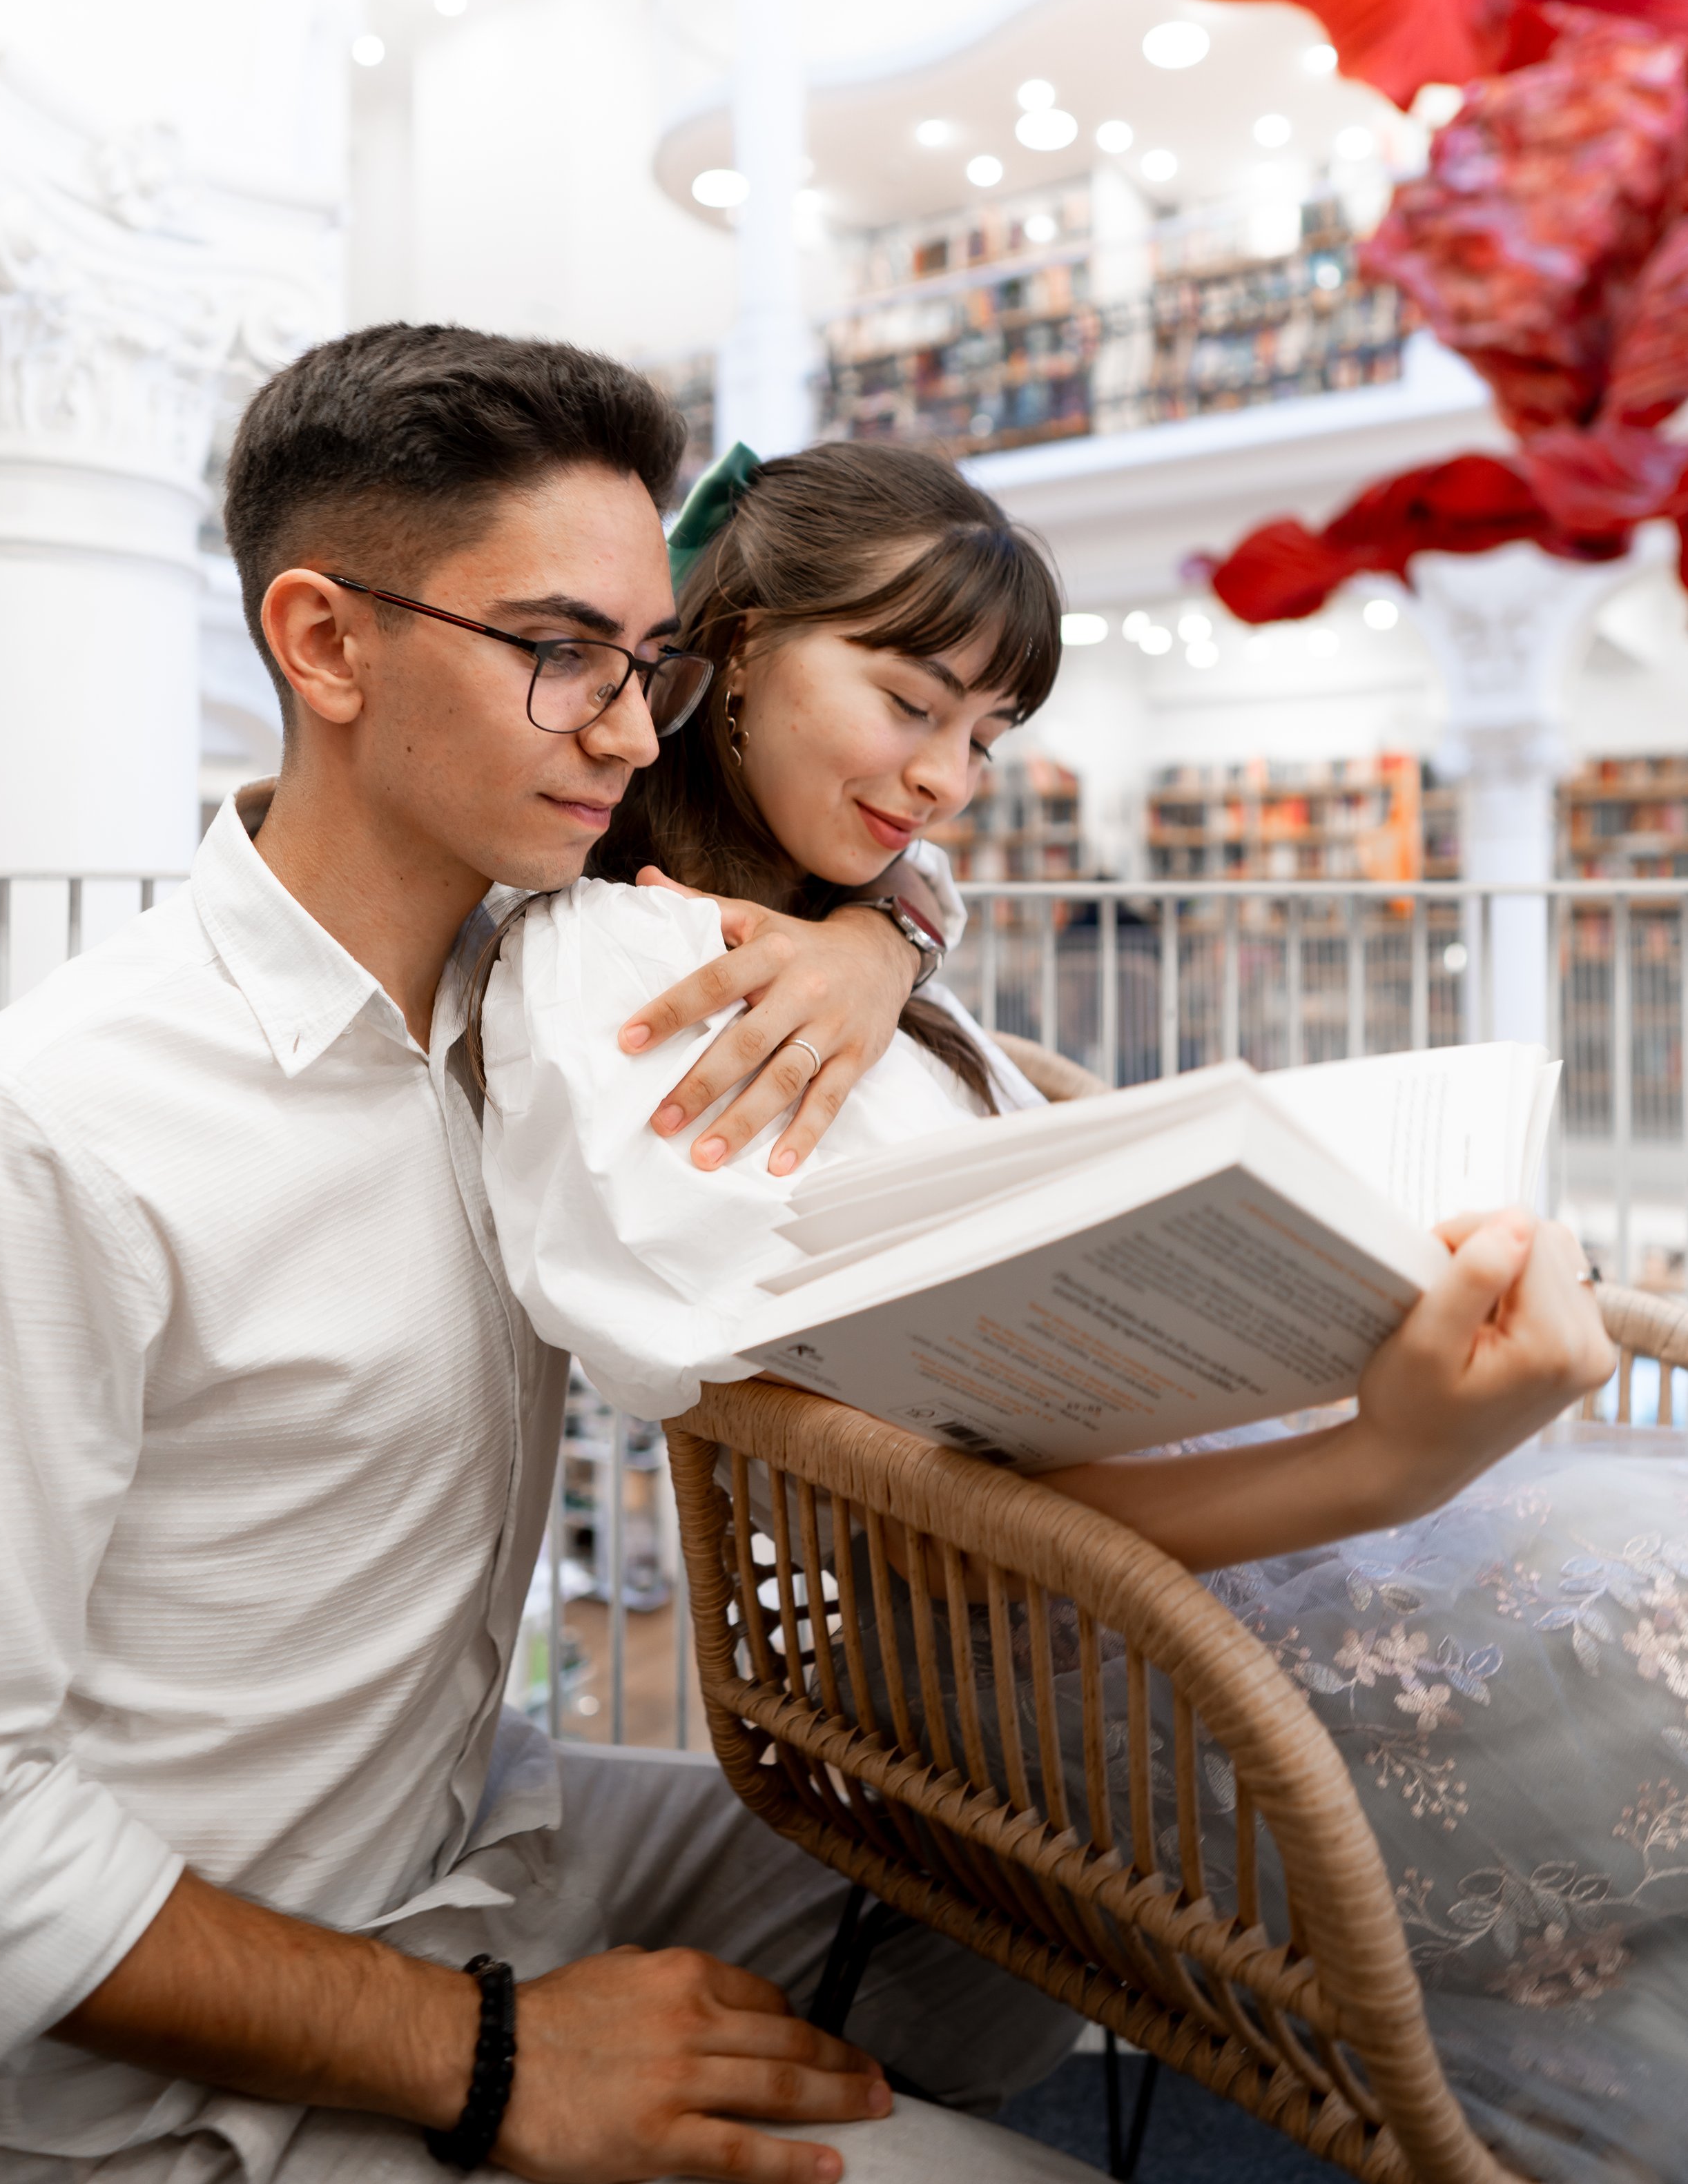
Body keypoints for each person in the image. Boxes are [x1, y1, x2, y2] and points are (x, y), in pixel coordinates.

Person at [0, 329, 1097, 2184]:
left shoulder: (537, 982)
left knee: (1009, 1881)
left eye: (648, 662)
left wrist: (873, 946)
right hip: (156, 2080)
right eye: (558, 653)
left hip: (467, 1842)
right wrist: (495, 2055)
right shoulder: (52, 1124)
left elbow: (856, 848)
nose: (634, 731)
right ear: (323, 642)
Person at [480, 438, 1669, 2184]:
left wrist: (880, 937)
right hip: (1094, 1627)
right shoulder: (636, 970)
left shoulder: (825, 922)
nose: (946, 778)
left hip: (1191, 1551)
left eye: (984, 735)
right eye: (907, 702)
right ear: (727, 647)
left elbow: (906, 905)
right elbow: (900, 1508)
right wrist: (1386, 1465)